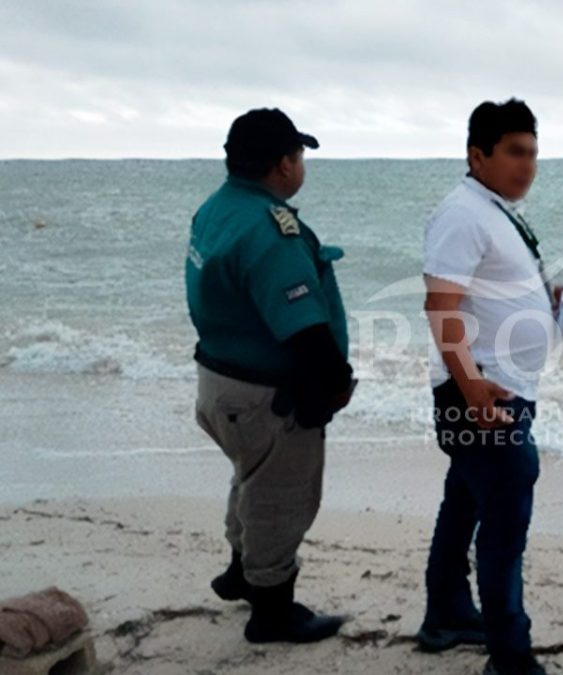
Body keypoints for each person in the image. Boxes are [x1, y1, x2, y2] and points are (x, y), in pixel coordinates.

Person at [186, 107, 355, 644]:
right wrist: (331, 384)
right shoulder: (271, 230)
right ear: (283, 164)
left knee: (251, 476)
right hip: (265, 393)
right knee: (283, 496)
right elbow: (303, 328)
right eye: (299, 154)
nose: (301, 164)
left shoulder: (216, 210)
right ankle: (272, 610)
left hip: (219, 381)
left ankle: (241, 571)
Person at [419, 98, 563, 675]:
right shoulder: (462, 213)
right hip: (480, 392)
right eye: (514, 152)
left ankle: (447, 613)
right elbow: (441, 305)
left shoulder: (495, 209)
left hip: (498, 386)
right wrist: (473, 388)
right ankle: (509, 655)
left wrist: (545, 300)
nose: (527, 165)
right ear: (477, 155)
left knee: (465, 499)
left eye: (532, 152)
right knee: (506, 516)